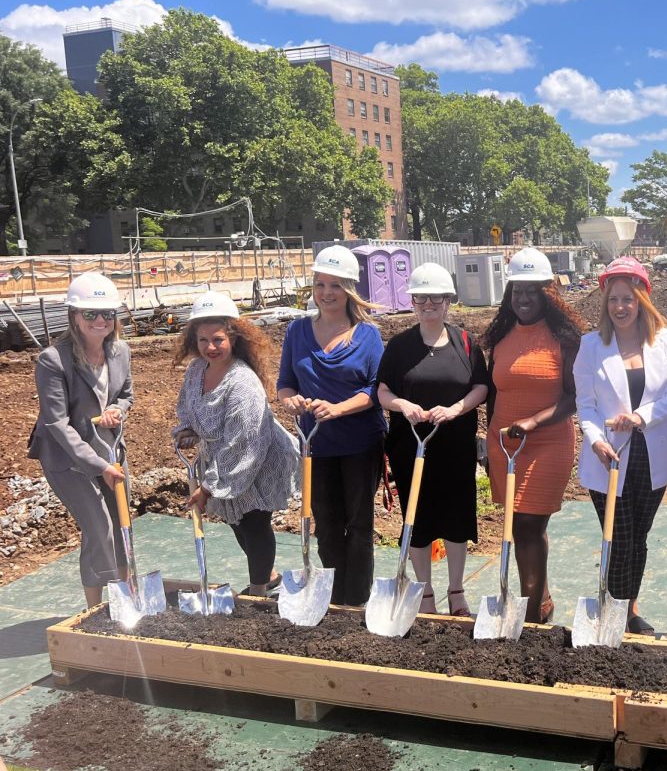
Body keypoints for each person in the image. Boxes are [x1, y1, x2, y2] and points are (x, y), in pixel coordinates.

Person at [573, 257, 667, 635]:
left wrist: (641, 417)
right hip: (609, 458)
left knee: (638, 538)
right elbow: (585, 404)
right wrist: (596, 440)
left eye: (628, 299)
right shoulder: (591, 345)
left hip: (652, 454)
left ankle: (624, 608)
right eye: (613, 299)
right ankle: (616, 613)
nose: (620, 307)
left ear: (642, 301)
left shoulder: (664, 341)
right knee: (618, 538)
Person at [376, 263, 489, 618]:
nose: (428, 304)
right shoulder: (399, 346)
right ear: (413, 302)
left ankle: (456, 591)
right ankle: (424, 593)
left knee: (456, 518)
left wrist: (456, 408)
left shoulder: (465, 342)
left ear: (448, 302)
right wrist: (403, 404)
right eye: (421, 298)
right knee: (418, 519)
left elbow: (481, 387)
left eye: (436, 298)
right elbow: (382, 391)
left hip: (454, 446)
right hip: (411, 447)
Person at [482, 247, 587, 624]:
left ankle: (531, 610)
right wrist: (488, 436)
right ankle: (540, 596)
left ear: (549, 291)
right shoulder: (501, 334)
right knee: (514, 522)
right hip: (504, 443)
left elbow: (574, 398)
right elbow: (494, 391)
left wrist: (534, 422)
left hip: (547, 442)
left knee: (531, 523)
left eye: (532, 290)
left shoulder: (566, 337)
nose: (523, 299)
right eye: (517, 291)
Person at [277, 244, 386, 607]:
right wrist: (290, 399)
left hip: (360, 443)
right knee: (324, 526)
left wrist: (338, 409)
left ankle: (357, 600)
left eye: (336, 286)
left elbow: (375, 390)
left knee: (358, 526)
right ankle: (333, 598)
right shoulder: (297, 332)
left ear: (350, 289)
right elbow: (285, 383)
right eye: (321, 285)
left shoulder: (367, 335)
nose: (326, 293)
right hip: (315, 445)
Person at [173, 292, 298, 596]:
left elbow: (243, 442)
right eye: (203, 341)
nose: (210, 347)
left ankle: (258, 592)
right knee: (236, 522)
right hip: (223, 459)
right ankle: (269, 577)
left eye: (217, 340)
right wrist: (186, 430)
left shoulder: (242, 382)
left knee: (254, 523)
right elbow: (186, 408)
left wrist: (209, 487)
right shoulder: (195, 371)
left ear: (233, 337)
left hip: (257, 458)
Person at [29, 273, 132, 609]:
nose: (100, 320)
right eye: (90, 314)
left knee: (118, 522)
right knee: (98, 525)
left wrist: (116, 409)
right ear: (74, 315)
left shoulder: (121, 352)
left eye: (107, 314)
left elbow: (126, 395)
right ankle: (104, 606)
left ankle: (114, 603)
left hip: (108, 446)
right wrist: (99, 466)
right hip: (66, 457)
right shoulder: (53, 360)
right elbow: (57, 423)